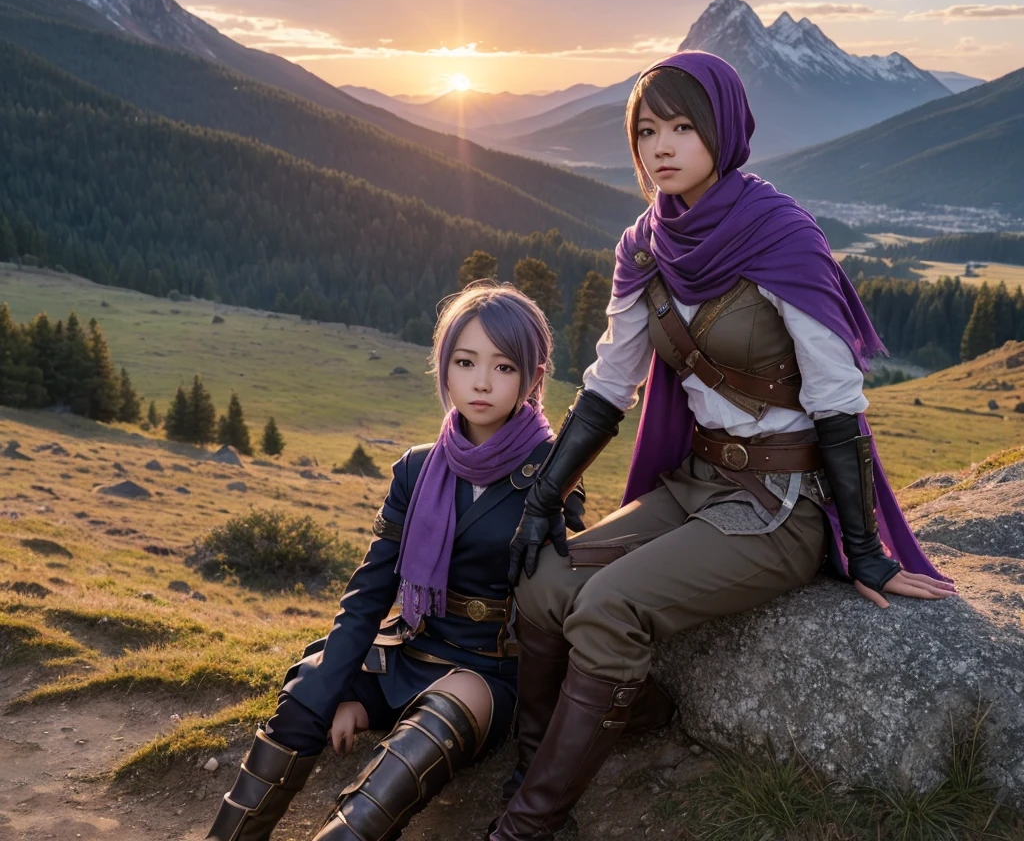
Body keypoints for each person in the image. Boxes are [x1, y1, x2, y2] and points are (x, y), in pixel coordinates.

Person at [487, 51, 956, 841]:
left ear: (724, 130)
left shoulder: (784, 238)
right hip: (696, 484)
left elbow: (839, 404)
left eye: (681, 126)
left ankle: (528, 826)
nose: (660, 146)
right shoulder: (644, 246)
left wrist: (865, 549)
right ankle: (532, 774)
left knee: (606, 608)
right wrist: (540, 503)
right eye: (645, 130)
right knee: (540, 584)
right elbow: (611, 384)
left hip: (782, 508)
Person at [207, 282, 583, 841]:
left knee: (420, 743)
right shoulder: (416, 468)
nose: (481, 382)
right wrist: (335, 692)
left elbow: (553, 618)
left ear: (533, 376)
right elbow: (369, 591)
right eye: (465, 362)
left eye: (504, 367)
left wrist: (533, 763)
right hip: (408, 652)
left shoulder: (553, 474)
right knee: (306, 691)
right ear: (444, 368)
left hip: (486, 673)